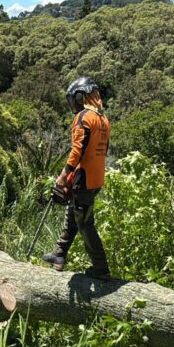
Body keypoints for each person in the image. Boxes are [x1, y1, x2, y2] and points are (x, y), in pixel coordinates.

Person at [41, 77, 111, 280]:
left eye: (75, 98)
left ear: (81, 96)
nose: (74, 103)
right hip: (95, 178)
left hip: (84, 179)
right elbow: (101, 152)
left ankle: (101, 268)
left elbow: (77, 150)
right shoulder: (103, 120)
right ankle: (59, 255)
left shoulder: (83, 118)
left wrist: (64, 176)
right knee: (73, 214)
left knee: (85, 224)